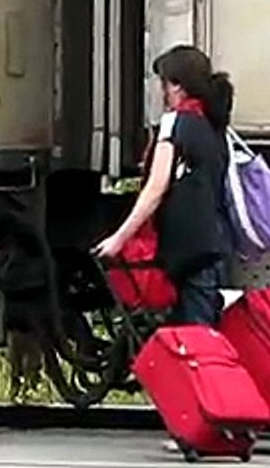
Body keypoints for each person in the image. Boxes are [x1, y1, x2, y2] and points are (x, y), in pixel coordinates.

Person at [94, 45, 234, 326]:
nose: (162, 92)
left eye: (164, 83)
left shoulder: (174, 123)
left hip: (184, 253)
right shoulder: (215, 128)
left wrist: (118, 239)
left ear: (178, 86)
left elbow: (155, 189)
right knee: (206, 339)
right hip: (215, 246)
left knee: (189, 345)